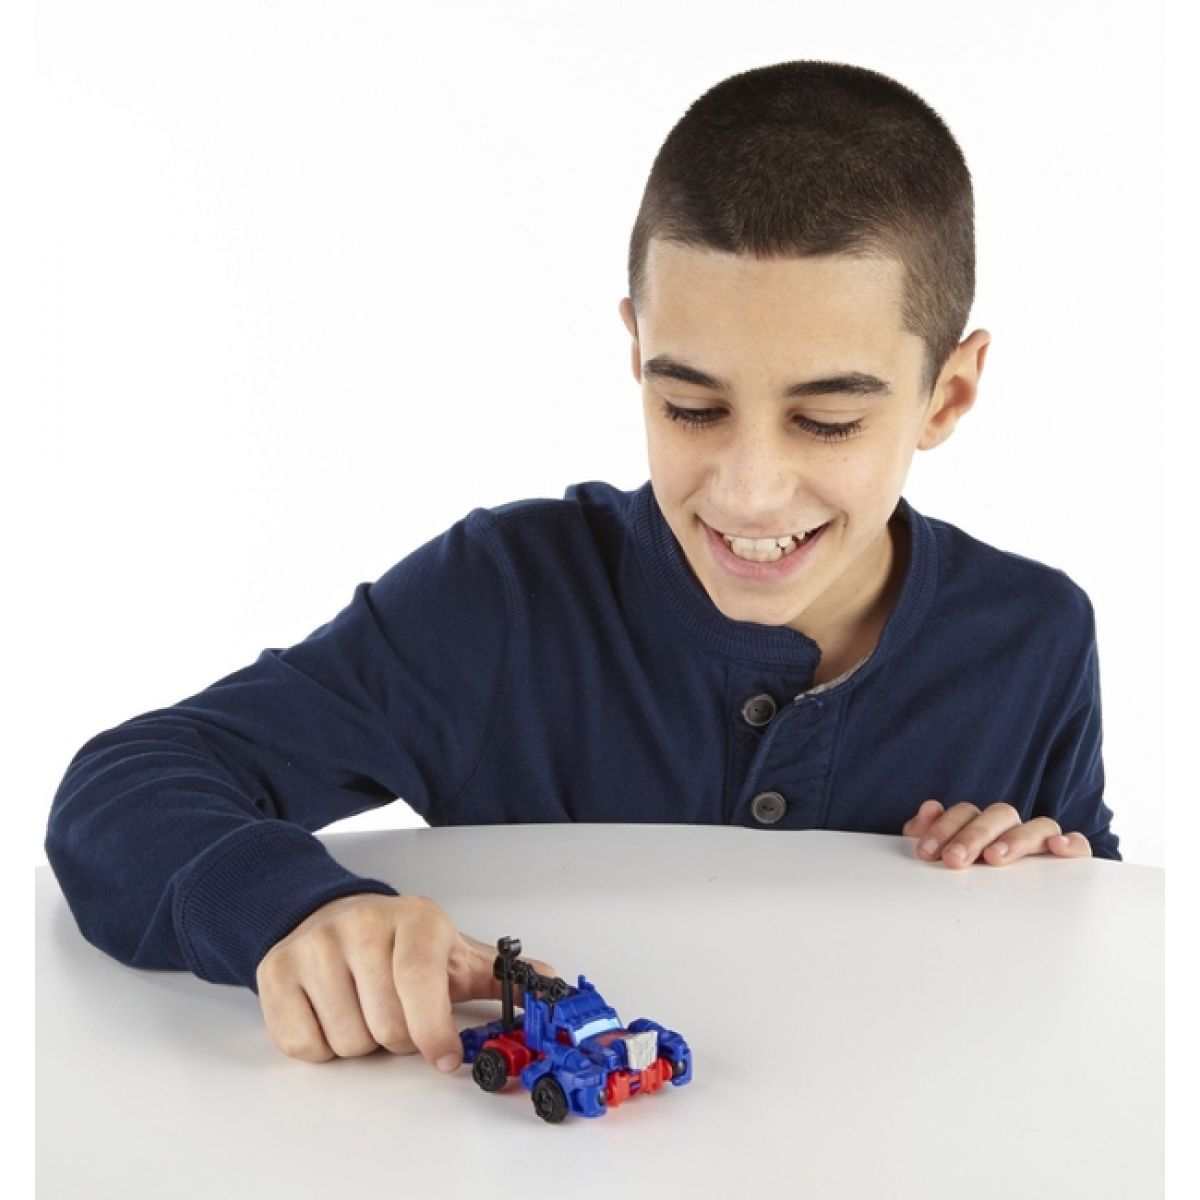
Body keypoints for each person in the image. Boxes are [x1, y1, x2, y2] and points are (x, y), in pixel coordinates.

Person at [45, 59, 1119, 1077]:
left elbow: (1097, 950)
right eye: (689, 406)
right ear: (636, 351)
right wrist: (299, 910)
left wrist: (1041, 879)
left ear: (948, 395)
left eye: (827, 421)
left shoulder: (1034, 640)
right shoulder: (500, 601)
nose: (749, 491)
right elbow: (125, 788)